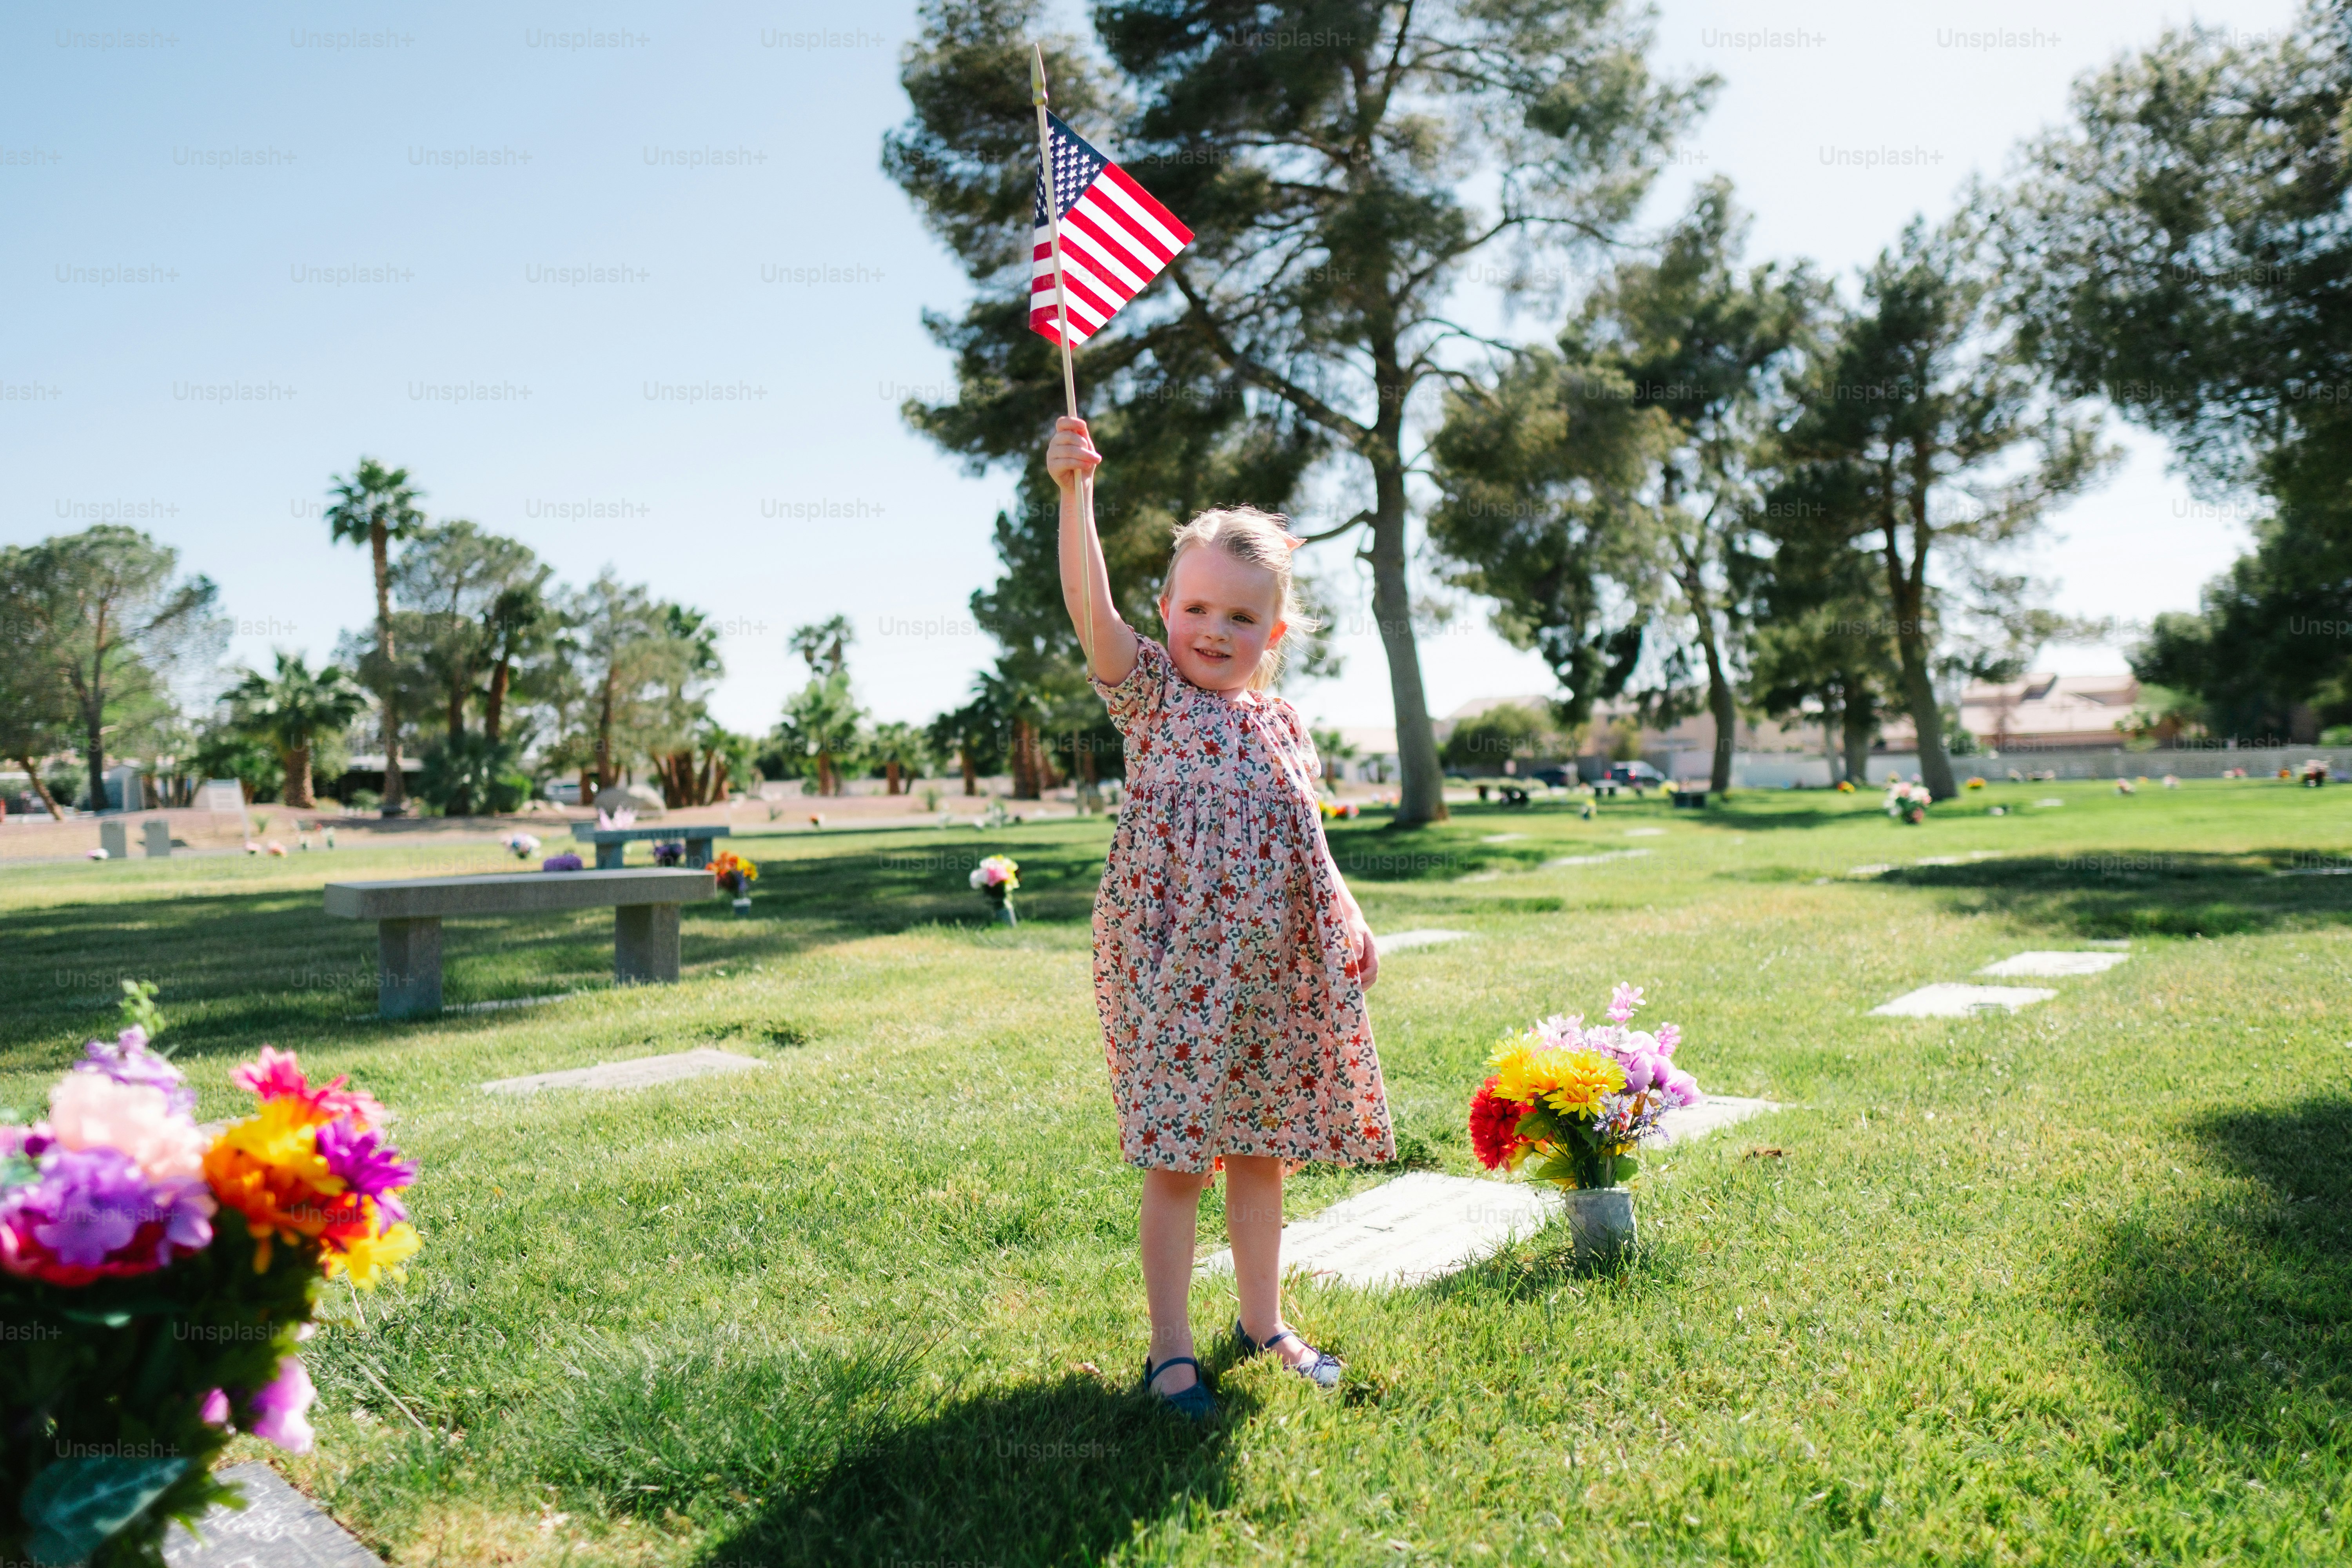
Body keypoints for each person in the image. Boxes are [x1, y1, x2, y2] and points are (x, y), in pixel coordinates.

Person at [1047, 415, 1394, 1422]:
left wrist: (1351, 907)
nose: (1214, 629)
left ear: (1272, 636)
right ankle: (1169, 1350)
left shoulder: (1283, 721)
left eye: (1241, 617)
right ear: (1165, 609)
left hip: (1272, 968)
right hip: (1171, 963)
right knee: (1178, 1153)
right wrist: (1078, 496)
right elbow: (1088, 602)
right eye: (1196, 606)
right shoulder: (1149, 696)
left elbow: (1307, 834)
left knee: (1261, 1145)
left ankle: (1262, 1320)